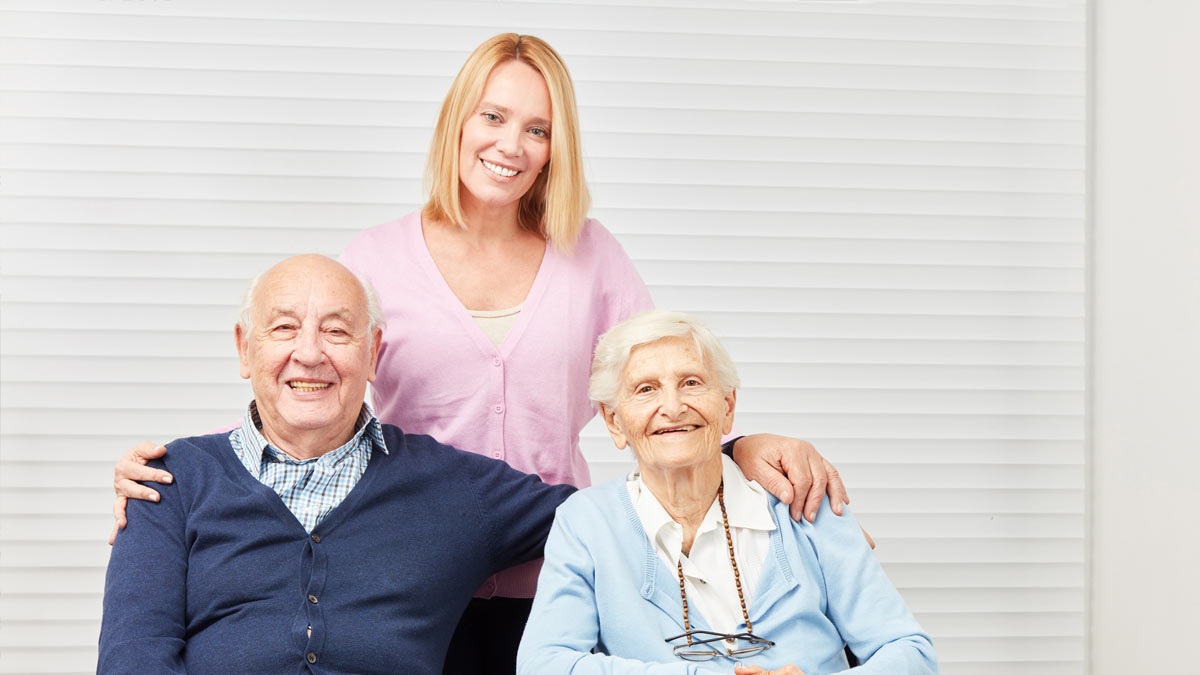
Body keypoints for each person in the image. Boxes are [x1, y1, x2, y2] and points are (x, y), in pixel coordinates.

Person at [107, 34, 854, 674]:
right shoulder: (376, 258)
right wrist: (179, 486)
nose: (511, 144)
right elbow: (308, 388)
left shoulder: (590, 255)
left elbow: (659, 386)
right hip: (406, 587)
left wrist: (741, 452)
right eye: (493, 116)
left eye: (538, 128)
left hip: (559, 570)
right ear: (456, 123)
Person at [99, 255, 577, 674]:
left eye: (336, 331)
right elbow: (134, 656)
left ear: (373, 353)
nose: (309, 353)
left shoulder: (454, 488)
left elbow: (616, 516)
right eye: (284, 327)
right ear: (245, 348)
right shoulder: (168, 481)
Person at [517, 311, 938, 675]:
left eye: (692, 382)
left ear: (728, 406)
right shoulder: (586, 522)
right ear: (614, 422)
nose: (673, 406)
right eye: (646, 389)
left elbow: (910, 654)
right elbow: (545, 664)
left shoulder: (803, 497)